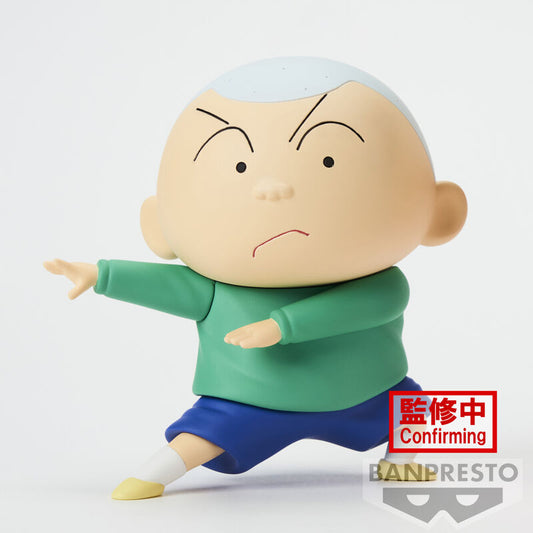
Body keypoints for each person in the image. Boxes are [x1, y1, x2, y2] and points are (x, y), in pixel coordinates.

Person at [44, 57, 467, 500]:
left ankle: (403, 462)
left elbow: (354, 307)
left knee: (411, 411)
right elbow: (169, 286)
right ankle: (152, 474)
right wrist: (102, 274)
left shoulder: (383, 286)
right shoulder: (216, 289)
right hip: (248, 401)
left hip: (367, 392)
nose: (273, 188)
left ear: (438, 214)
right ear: (158, 226)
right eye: (239, 168)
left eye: (326, 160)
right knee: (201, 434)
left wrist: (282, 326)